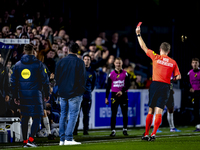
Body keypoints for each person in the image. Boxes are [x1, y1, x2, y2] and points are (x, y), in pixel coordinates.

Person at [135, 26, 181, 141]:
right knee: (159, 110)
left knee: (151, 110)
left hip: (155, 84)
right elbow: (178, 76)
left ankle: (146, 134)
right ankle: (154, 134)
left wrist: (138, 34)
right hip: (166, 86)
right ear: (168, 51)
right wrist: (173, 78)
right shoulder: (173, 62)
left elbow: (143, 47)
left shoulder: (156, 57)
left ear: (160, 49)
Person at [10, 44, 50, 147]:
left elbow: (13, 82)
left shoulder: (18, 65)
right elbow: (45, 81)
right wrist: (46, 94)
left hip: (23, 95)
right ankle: (31, 140)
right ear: (33, 52)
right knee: (37, 116)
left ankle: (25, 141)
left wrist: (15, 96)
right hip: (36, 94)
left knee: (25, 117)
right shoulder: (39, 64)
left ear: (24, 51)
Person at [55, 42, 86, 145]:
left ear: (68, 49)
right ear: (77, 51)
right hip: (74, 93)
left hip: (63, 93)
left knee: (63, 115)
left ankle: (62, 139)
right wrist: (80, 91)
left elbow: (56, 78)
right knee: (72, 115)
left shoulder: (60, 61)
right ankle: (68, 138)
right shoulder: (80, 62)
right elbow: (82, 79)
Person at [105, 57, 130, 137]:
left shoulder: (126, 73)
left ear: (122, 64)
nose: (118, 64)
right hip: (114, 96)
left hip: (123, 96)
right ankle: (113, 131)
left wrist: (122, 92)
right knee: (113, 114)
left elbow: (128, 85)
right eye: (116, 63)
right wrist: (106, 97)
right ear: (114, 64)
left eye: (119, 63)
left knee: (125, 113)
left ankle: (125, 129)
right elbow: (108, 86)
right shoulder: (111, 74)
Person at [74, 53, 96, 135]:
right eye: (85, 59)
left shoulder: (93, 72)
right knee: (76, 114)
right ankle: (75, 130)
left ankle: (85, 131)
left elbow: (93, 85)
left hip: (87, 96)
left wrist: (88, 91)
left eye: (88, 60)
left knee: (86, 115)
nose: (86, 61)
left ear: (90, 61)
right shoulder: (78, 71)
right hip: (78, 96)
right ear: (83, 61)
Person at [188, 58, 200, 131]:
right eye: (193, 63)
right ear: (191, 64)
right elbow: (187, 83)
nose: (194, 64)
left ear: (198, 64)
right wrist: (190, 88)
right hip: (194, 94)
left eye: (196, 63)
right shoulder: (190, 73)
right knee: (195, 110)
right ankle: (198, 126)